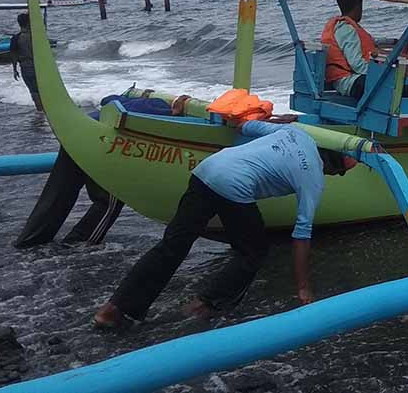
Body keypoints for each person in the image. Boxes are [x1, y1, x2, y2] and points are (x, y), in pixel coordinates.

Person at [92, 119, 356, 328]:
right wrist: (303, 287)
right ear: (332, 167)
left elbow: (245, 125)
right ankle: (204, 305)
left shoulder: (294, 131)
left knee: (172, 246)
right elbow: (302, 234)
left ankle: (114, 309)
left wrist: (278, 121)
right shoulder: (313, 177)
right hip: (234, 186)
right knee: (253, 252)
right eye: (339, 173)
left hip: (207, 169)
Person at [12, 94, 174, 249]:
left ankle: (30, 239)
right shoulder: (163, 111)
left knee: (58, 191)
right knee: (110, 198)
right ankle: (79, 242)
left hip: (78, 133)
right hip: (101, 141)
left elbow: (106, 100)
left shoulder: (130, 100)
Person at [319, 0, 376, 99]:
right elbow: (356, 64)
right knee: (392, 83)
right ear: (358, 7)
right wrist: (381, 73)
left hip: (344, 78)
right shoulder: (347, 30)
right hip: (348, 81)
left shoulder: (339, 27)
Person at [10, 13, 43, 112]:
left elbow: (13, 55)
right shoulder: (36, 36)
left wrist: (15, 70)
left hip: (25, 67)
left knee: (33, 91)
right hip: (40, 67)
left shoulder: (16, 38)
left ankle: (40, 111)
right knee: (42, 90)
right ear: (29, 22)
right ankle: (45, 111)